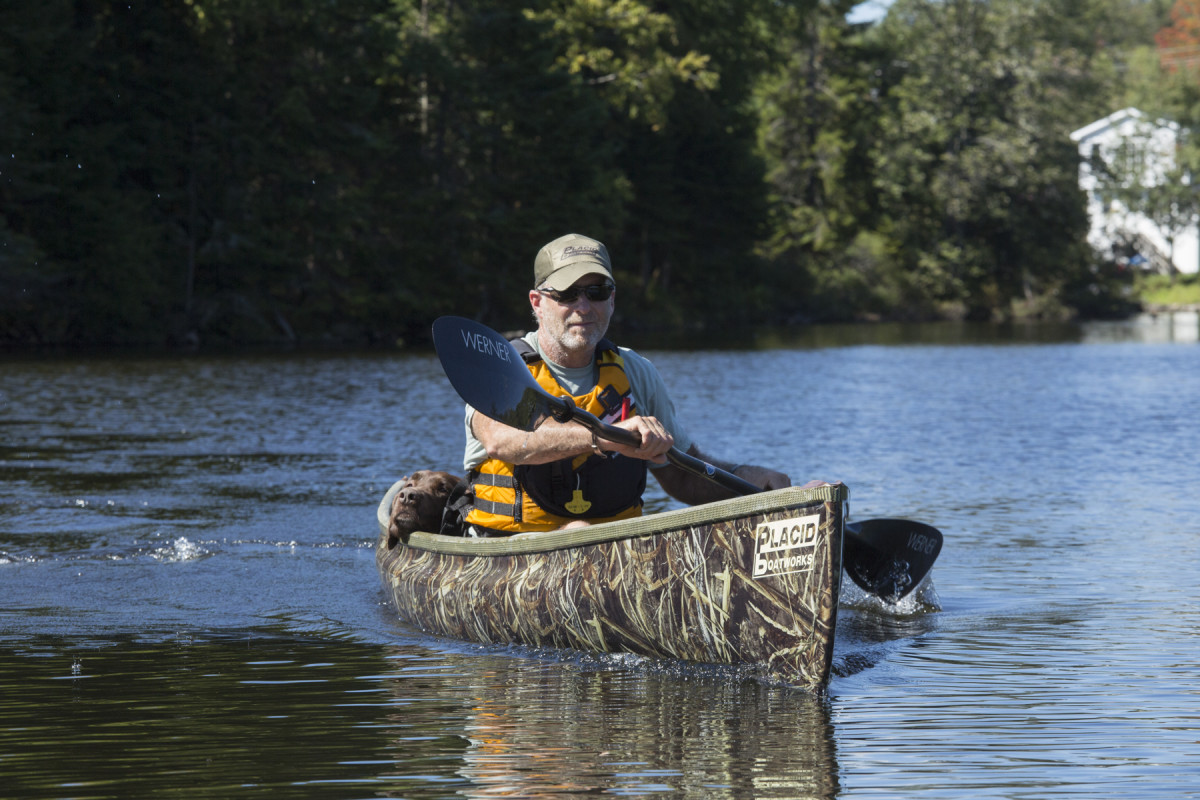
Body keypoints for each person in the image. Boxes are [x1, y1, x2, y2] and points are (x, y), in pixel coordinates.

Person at [461, 233, 790, 536]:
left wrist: (752, 484)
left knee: (776, 487)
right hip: (507, 552)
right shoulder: (499, 367)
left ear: (612, 299)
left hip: (619, 555)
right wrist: (606, 437)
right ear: (537, 301)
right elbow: (501, 442)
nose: (584, 307)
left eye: (596, 292)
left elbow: (681, 474)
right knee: (577, 533)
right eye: (567, 294)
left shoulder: (635, 371)